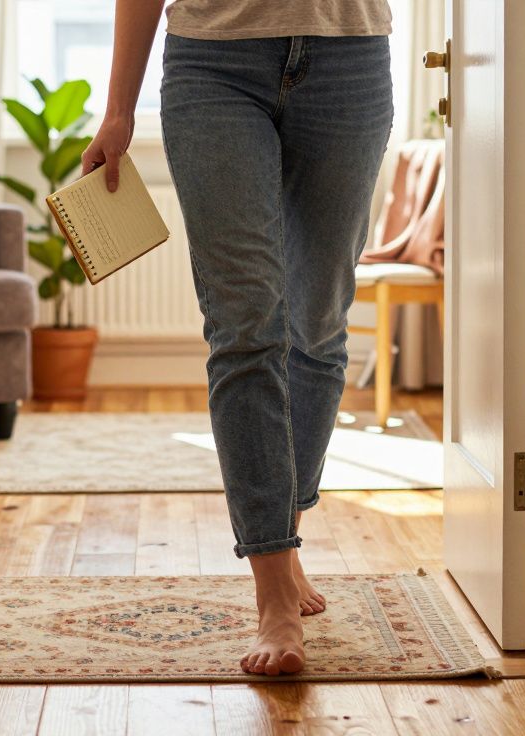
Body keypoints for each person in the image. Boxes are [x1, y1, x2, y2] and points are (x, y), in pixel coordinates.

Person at [81, 0, 394, 676]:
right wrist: (118, 109)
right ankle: (273, 587)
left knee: (317, 325)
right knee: (244, 324)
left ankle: (284, 535)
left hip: (350, 57)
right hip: (213, 61)